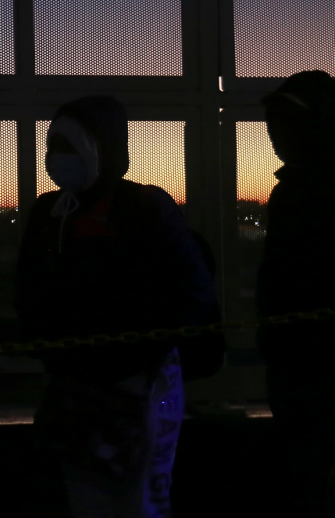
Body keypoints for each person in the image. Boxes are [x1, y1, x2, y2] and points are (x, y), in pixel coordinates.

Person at [16, 95, 216, 518]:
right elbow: (30, 289)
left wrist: (136, 353)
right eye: (53, 146)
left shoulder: (144, 208)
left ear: (104, 150)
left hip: (141, 389)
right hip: (76, 390)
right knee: (85, 498)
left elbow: (192, 294)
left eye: (71, 146)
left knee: (141, 499)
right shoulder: (48, 214)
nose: (58, 158)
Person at [257, 71, 335, 517]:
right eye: (273, 126)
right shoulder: (311, 186)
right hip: (310, 370)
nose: (275, 137)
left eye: (284, 125)